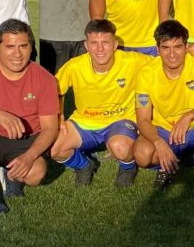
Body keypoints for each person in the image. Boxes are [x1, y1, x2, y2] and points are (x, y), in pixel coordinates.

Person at [0, 19, 59, 213]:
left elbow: (50, 128)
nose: (17, 54)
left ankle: (11, 172)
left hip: (26, 140)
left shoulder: (45, 78)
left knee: (36, 174)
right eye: (9, 46)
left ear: (30, 47)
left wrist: (30, 156)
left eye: (23, 46)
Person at [132, 20, 194, 197]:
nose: (172, 54)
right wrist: (159, 143)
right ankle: (167, 165)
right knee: (141, 154)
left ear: (186, 46)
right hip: (164, 130)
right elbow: (143, 119)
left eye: (177, 47)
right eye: (166, 47)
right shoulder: (146, 73)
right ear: (157, 49)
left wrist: (189, 115)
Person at [51, 20, 150, 188]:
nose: (100, 49)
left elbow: (166, 61)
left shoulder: (133, 61)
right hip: (85, 121)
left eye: (105, 42)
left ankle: (128, 168)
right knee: (54, 148)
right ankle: (85, 165)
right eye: (94, 43)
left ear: (115, 45)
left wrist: (191, 49)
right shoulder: (75, 66)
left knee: (120, 147)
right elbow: (55, 91)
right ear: (86, 45)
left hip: (120, 120)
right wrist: (59, 116)